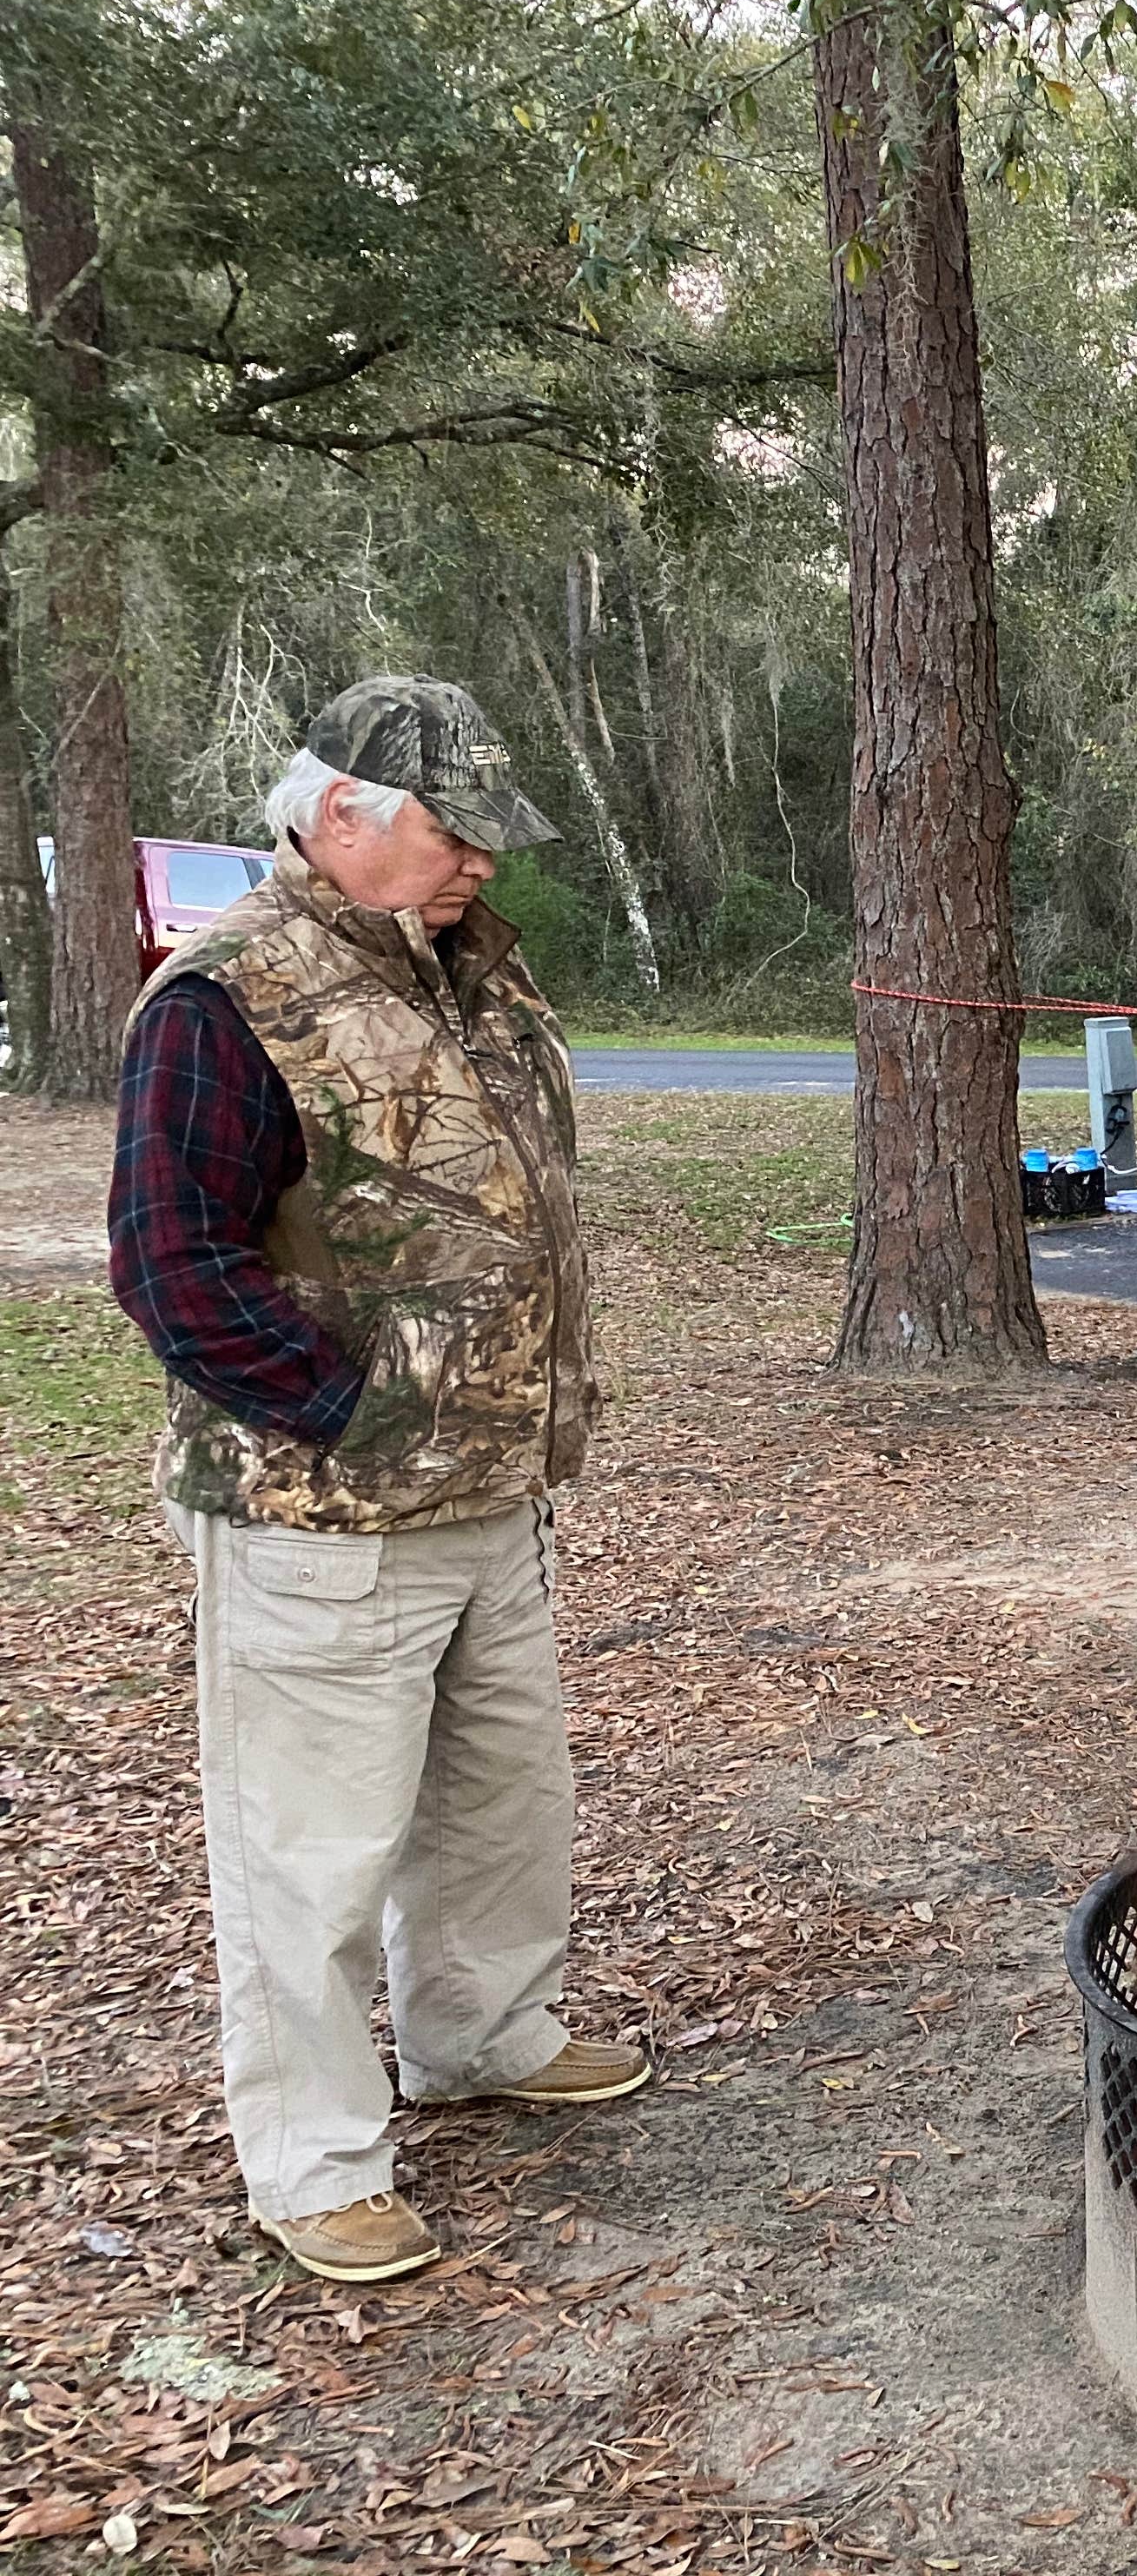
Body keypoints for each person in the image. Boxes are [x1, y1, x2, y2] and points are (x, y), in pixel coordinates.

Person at [107, 676, 644, 2286]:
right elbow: (172, 1265)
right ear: (340, 812)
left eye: (490, 827)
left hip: (490, 1495)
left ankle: (481, 2035)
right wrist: (356, 1411)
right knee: (313, 1853)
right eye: (449, 821)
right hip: (320, 1514)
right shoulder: (226, 996)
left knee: (499, 1807)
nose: (482, 853)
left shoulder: (466, 968)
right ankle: (317, 2156)